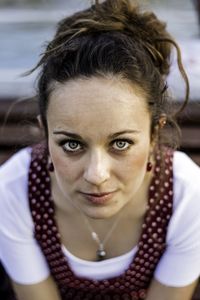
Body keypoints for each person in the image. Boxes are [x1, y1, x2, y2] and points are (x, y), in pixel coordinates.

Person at [0, 0, 200, 299]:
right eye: (71, 144)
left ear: (154, 133)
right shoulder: (13, 191)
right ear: (44, 133)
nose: (96, 175)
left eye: (120, 143)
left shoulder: (188, 197)